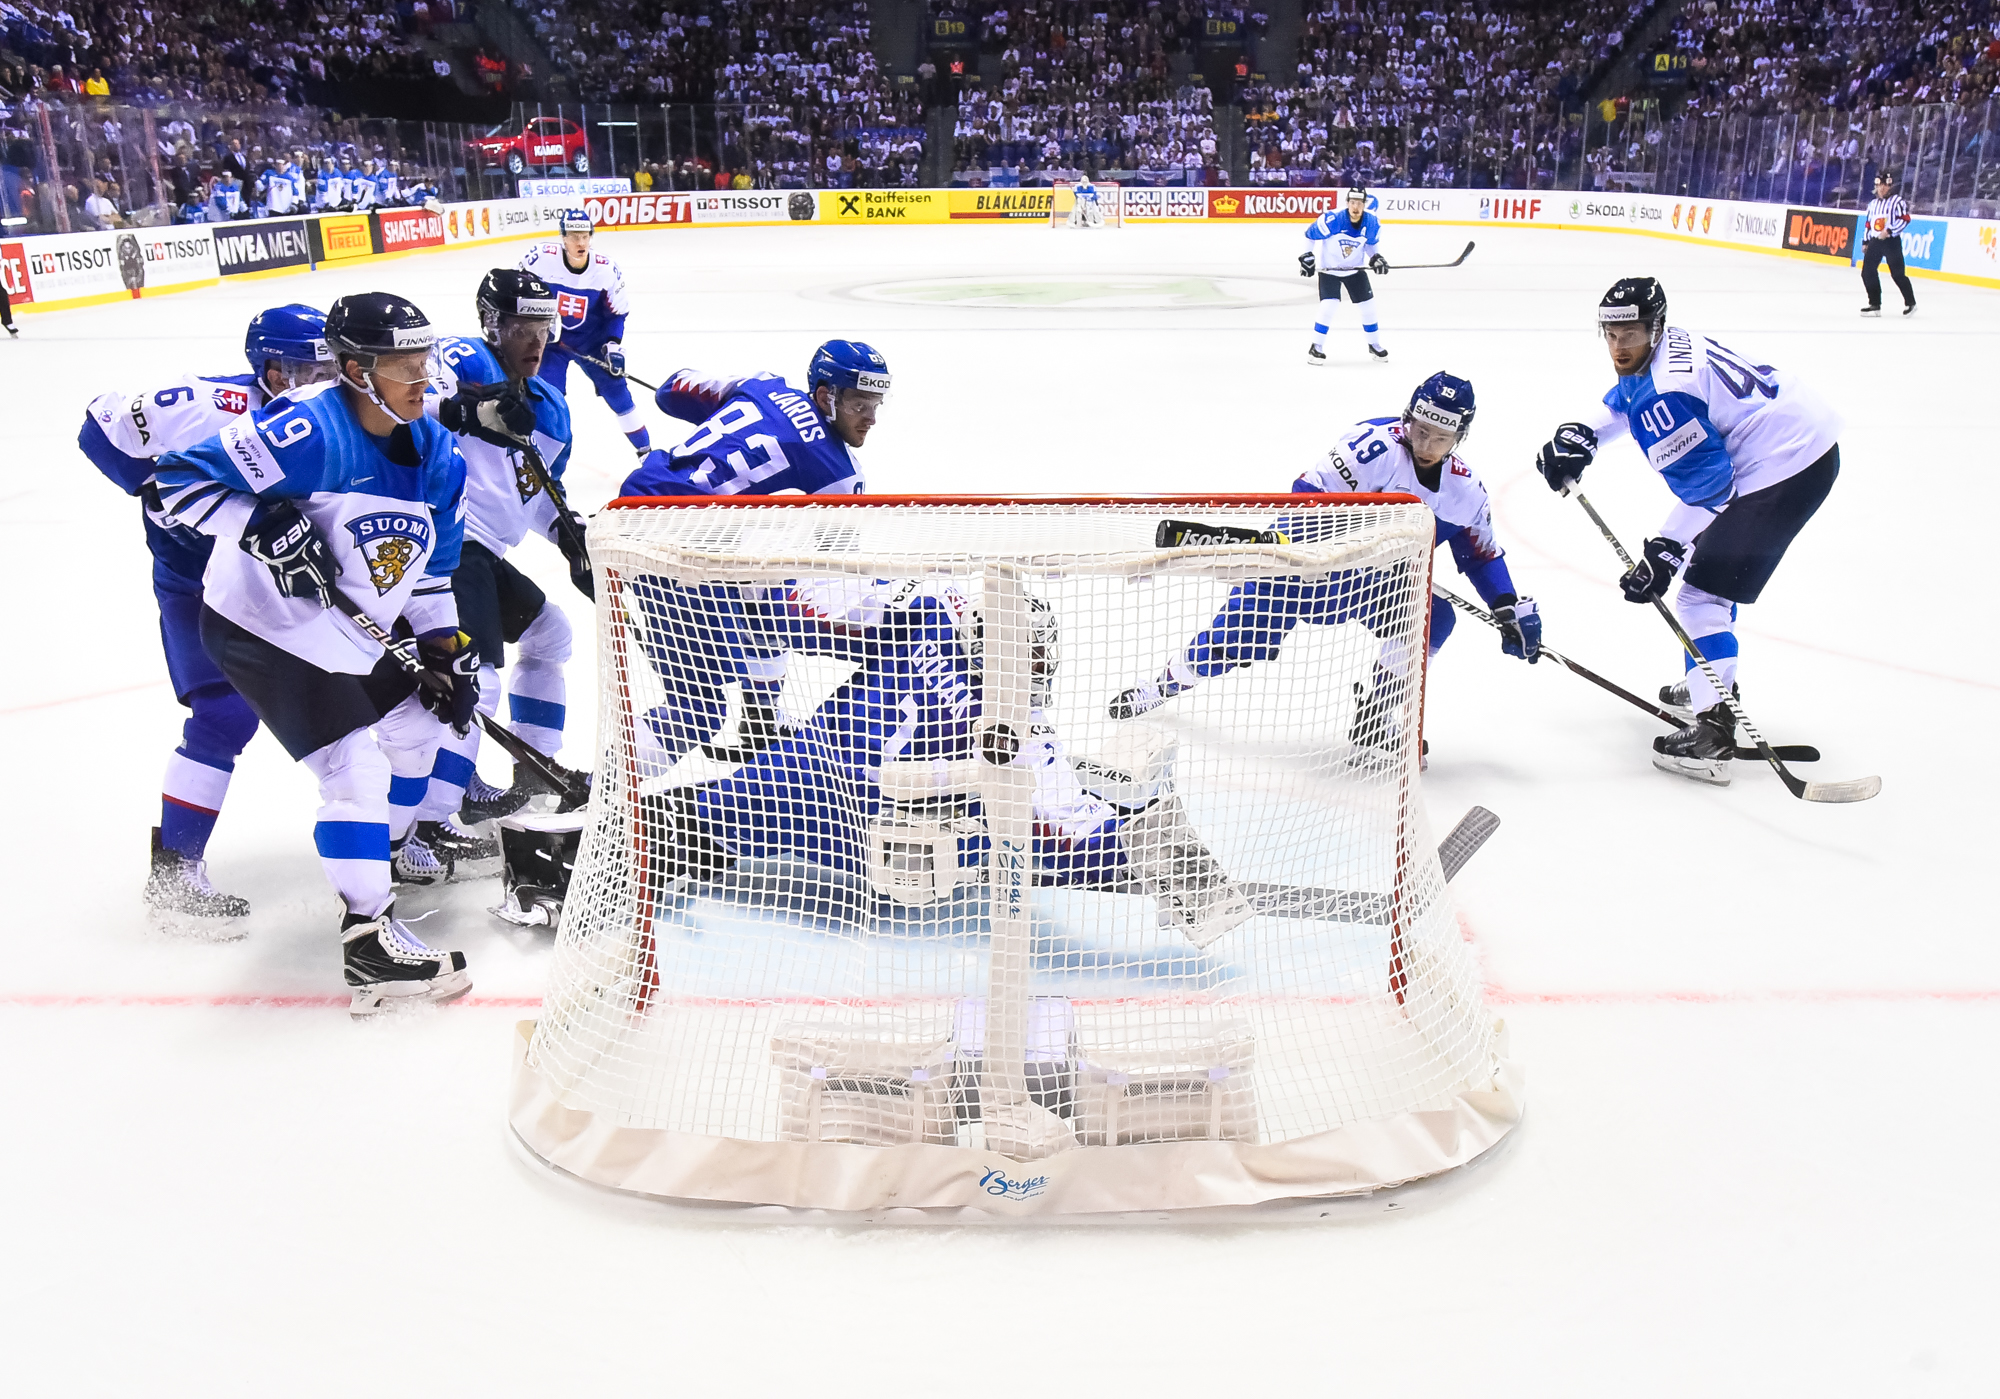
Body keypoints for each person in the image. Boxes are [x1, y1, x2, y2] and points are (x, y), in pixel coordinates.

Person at [150, 293, 478, 1014]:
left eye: (424, 361)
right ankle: (368, 937)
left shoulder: (439, 458)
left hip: (342, 631)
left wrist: (445, 650)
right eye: (403, 366)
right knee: (353, 761)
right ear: (357, 370)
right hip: (259, 626)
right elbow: (173, 478)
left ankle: (375, 855)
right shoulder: (307, 431)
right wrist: (260, 519)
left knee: (423, 728)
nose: (422, 379)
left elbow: (429, 574)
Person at [638, 577, 1253, 948]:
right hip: (862, 824)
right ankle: (641, 845)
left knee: (691, 820)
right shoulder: (1020, 727)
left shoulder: (933, 606)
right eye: (1030, 657)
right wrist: (1145, 848)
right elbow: (1070, 831)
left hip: (804, 770)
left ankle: (617, 849)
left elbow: (811, 612)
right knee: (1003, 840)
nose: (1036, 670)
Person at [1110, 373, 1537, 763]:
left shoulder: (1465, 490)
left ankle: (1376, 712)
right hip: (1301, 566)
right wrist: (1346, 540)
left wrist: (1505, 604)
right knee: (1230, 643)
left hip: (1369, 584)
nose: (1425, 445)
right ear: (1408, 418)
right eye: (1419, 430)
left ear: (1459, 437)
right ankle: (1163, 686)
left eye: (1439, 438)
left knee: (1434, 618)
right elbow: (1305, 496)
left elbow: (1481, 556)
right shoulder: (1372, 447)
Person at [78, 305, 338, 929]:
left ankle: (425, 818)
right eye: (301, 369)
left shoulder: (334, 417)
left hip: (281, 585)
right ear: (267, 369)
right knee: (222, 716)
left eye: (325, 367)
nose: (315, 383)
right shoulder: (201, 405)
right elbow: (99, 427)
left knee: (378, 691)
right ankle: (175, 876)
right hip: (195, 589)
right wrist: (149, 486)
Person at [1535, 276, 1841, 785]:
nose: (1618, 346)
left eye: (1629, 334)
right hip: (1798, 443)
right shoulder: (1665, 349)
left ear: (1653, 327)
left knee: (1699, 598)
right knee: (1710, 574)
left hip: (1785, 469)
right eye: (1609, 334)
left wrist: (1665, 550)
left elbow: (1712, 491)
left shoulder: (1668, 398)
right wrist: (1583, 434)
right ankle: (1709, 679)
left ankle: (1713, 732)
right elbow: (1624, 398)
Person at [411, 268, 592, 865]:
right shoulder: (463, 359)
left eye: (544, 326)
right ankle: (430, 822)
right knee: (477, 679)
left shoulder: (552, 408)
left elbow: (535, 496)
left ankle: (533, 769)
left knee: (550, 631)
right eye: (520, 327)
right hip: (444, 541)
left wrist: (570, 537)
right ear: (493, 325)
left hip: (485, 551)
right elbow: (417, 402)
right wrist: (471, 407)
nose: (535, 341)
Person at [621, 339, 889, 498]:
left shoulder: (763, 384)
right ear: (823, 396)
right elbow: (838, 563)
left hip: (638, 489)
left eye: (876, 404)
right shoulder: (842, 475)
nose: (871, 419)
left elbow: (672, 390)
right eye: (858, 405)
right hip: (679, 547)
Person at [520, 209, 652, 456]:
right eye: (573, 235)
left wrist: (613, 346)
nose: (580, 242)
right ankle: (541, 458)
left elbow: (617, 313)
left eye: (585, 235)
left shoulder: (606, 270)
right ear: (562, 237)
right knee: (547, 399)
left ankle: (646, 453)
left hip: (593, 342)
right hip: (551, 345)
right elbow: (519, 297)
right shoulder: (539, 260)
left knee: (619, 395)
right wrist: (534, 329)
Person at [1300, 186, 1388, 365]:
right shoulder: (1332, 220)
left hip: (1354, 269)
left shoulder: (1371, 222)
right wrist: (1307, 256)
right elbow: (1309, 235)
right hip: (1330, 270)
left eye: (1360, 203)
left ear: (1364, 205)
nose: (1356, 207)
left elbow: (1370, 244)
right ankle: (1316, 347)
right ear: (1347, 203)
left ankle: (1374, 344)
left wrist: (1376, 258)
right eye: (1353, 202)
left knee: (1368, 307)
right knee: (1329, 306)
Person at [1859, 171, 1916, 317]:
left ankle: (1910, 303)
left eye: (1885, 186)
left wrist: (1889, 231)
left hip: (1891, 241)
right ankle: (1875, 304)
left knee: (1897, 274)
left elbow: (1905, 219)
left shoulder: (1897, 201)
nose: (1882, 189)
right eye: (1880, 186)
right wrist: (1865, 241)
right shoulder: (1872, 204)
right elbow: (1868, 224)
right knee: (1867, 272)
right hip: (1875, 241)